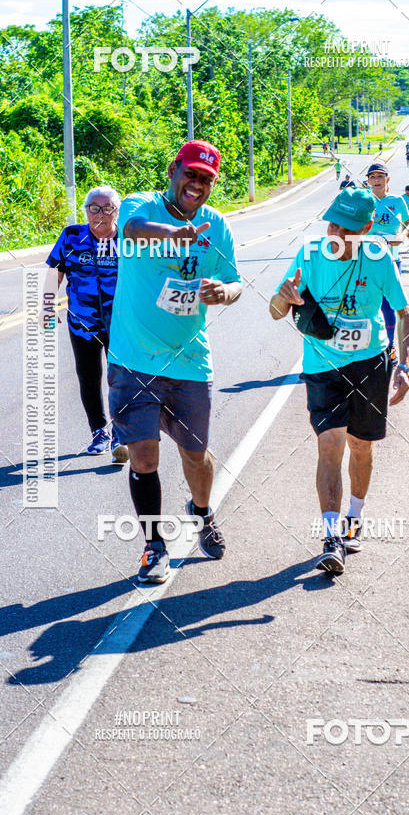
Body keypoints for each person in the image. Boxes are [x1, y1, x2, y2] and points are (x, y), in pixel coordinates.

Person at [108, 140, 242, 583]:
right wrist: (176, 234)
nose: (197, 184)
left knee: (195, 454)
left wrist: (225, 292)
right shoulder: (139, 204)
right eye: (191, 174)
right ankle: (154, 547)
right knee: (143, 455)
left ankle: (201, 512)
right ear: (173, 170)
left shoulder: (216, 225)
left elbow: (234, 281)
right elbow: (130, 229)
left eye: (206, 179)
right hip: (134, 359)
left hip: (188, 362)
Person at [269, 189, 409, 574]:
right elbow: (274, 311)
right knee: (330, 446)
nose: (335, 232)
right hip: (322, 365)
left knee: (361, 448)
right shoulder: (311, 253)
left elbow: (403, 314)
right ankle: (331, 538)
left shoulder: (379, 258)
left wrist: (405, 367)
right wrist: (284, 299)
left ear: (366, 228)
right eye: (332, 222)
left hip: (370, 364)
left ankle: (354, 517)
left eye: (346, 228)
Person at [43, 185, 128, 465]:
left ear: (117, 211)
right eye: (94, 207)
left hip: (123, 324)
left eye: (107, 208)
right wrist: (47, 304)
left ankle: (120, 434)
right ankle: (99, 433)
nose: (100, 214)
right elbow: (56, 269)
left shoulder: (129, 238)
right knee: (89, 378)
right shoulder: (71, 236)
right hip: (83, 323)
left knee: (121, 378)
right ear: (86, 210)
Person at [366, 162, 409, 359]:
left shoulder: (397, 201)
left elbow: (407, 223)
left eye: (380, 176)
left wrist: (402, 235)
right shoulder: (365, 202)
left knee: (388, 305)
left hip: (391, 259)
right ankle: (369, 348)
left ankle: (390, 347)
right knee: (366, 304)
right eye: (372, 177)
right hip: (365, 260)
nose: (376, 180)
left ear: (387, 179)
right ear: (368, 181)